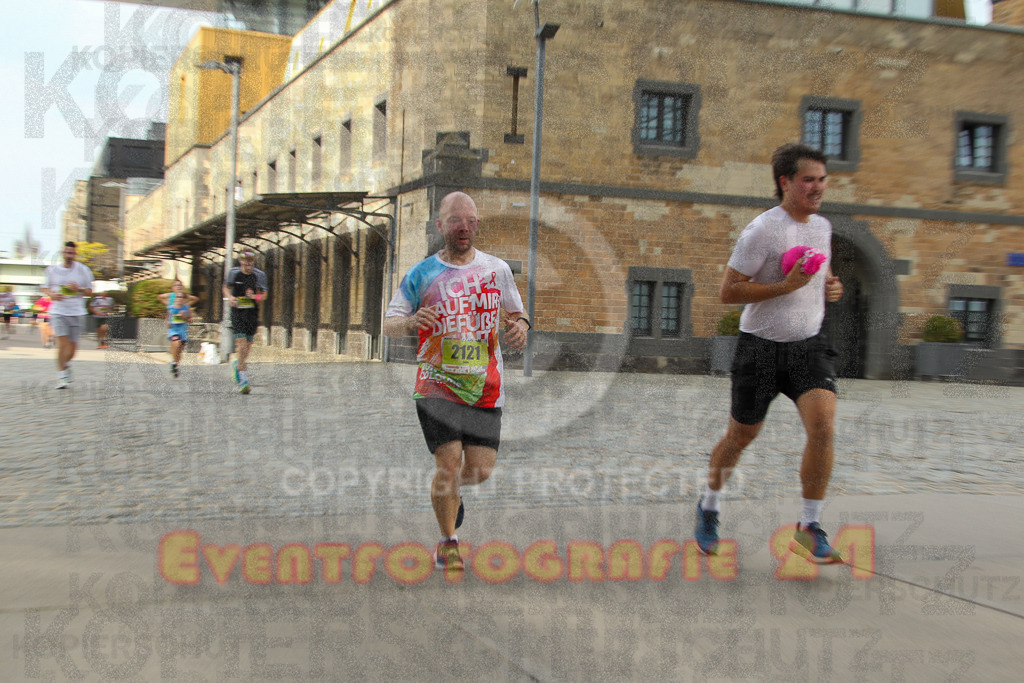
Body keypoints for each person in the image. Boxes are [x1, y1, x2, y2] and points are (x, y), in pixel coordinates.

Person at [695, 143, 845, 564]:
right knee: (741, 437)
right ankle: (708, 507)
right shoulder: (762, 230)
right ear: (785, 182)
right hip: (759, 348)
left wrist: (832, 285)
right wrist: (785, 286)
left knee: (824, 428)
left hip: (809, 347)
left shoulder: (823, 228)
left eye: (822, 179)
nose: (818, 188)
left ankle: (809, 527)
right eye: (808, 180)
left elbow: (821, 274)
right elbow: (728, 291)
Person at [383, 192, 530, 571]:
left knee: (479, 470)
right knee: (447, 464)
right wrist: (410, 322)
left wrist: (521, 327)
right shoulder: (421, 274)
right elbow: (388, 322)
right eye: (454, 220)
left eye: (469, 220)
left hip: (485, 386)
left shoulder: (497, 270)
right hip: (436, 385)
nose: (462, 226)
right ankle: (449, 540)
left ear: (477, 225)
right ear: (440, 226)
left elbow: (518, 312)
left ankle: (449, 495)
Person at [43, 242, 95, 389]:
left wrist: (78, 289)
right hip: (59, 311)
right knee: (63, 344)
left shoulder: (83, 270)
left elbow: (90, 292)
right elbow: (44, 287)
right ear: (63, 253)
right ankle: (62, 376)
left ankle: (66, 365)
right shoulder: (52, 270)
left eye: (72, 253)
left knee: (72, 350)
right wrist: (52, 294)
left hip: (77, 312)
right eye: (67, 253)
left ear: (75, 254)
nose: (69, 256)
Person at [222, 251, 267, 394]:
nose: (248, 266)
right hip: (237, 313)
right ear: (240, 262)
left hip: (252, 314)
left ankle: (237, 365)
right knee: (241, 346)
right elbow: (225, 288)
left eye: (251, 264)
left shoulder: (259, 275)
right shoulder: (233, 273)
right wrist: (230, 297)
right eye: (246, 263)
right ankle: (244, 382)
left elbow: (264, 295)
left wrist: (255, 296)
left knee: (246, 349)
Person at [159, 280, 199, 378]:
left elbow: (190, 321)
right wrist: (167, 322)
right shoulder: (171, 307)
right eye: (177, 297)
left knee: (179, 351)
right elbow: (168, 318)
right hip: (173, 329)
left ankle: (174, 364)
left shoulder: (186, 307)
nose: (179, 298)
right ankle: (174, 362)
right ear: (175, 297)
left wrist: (185, 316)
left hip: (182, 330)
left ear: (183, 299)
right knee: (176, 344)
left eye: (181, 297)